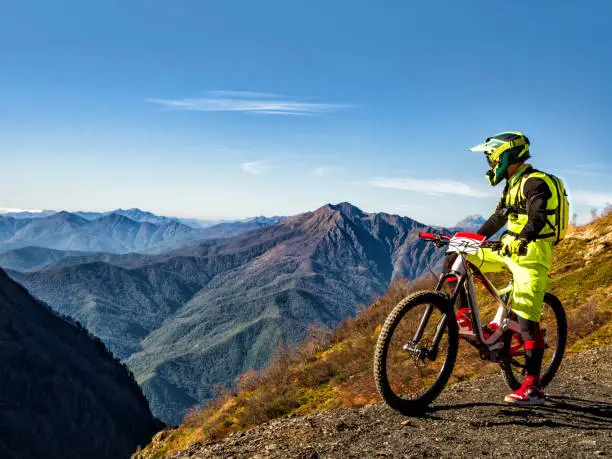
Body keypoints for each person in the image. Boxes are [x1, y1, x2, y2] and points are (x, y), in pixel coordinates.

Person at [448, 131, 563, 406]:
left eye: (491, 157)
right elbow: (498, 217)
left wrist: (523, 238)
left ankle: (533, 388)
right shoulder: (512, 184)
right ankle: (464, 317)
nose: (489, 163)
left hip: (532, 253)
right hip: (507, 248)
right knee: (456, 255)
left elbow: (537, 215)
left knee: (526, 319)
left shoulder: (536, 182)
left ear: (506, 155)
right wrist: (472, 240)